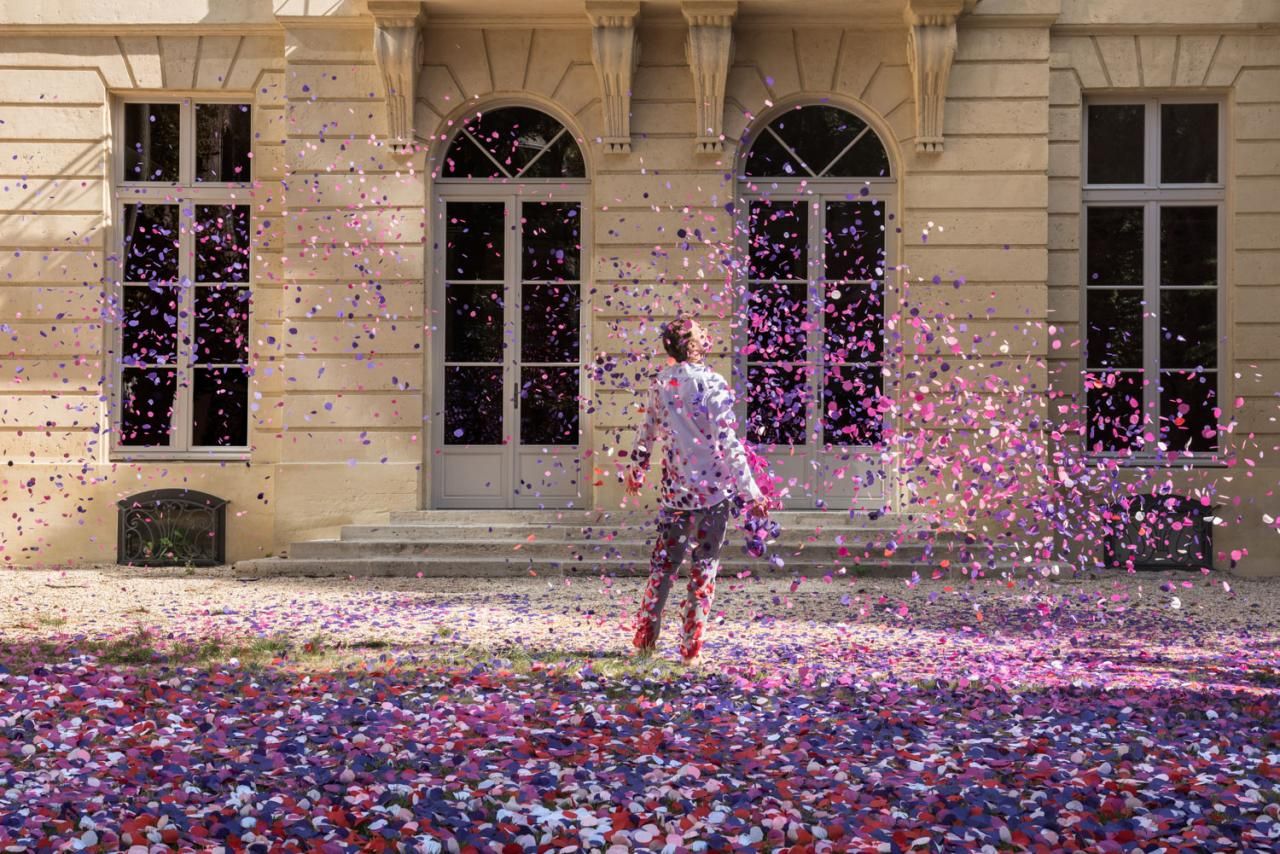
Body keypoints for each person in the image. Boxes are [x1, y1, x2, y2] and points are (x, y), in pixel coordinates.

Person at [623, 316, 769, 665]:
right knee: (704, 568)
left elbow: (646, 431)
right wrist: (751, 492)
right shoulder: (712, 383)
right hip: (713, 494)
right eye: (700, 333)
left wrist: (637, 468)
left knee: (663, 567)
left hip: (676, 492)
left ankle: (645, 642)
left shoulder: (661, 383)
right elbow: (728, 441)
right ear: (691, 345)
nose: (707, 335)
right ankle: (690, 651)